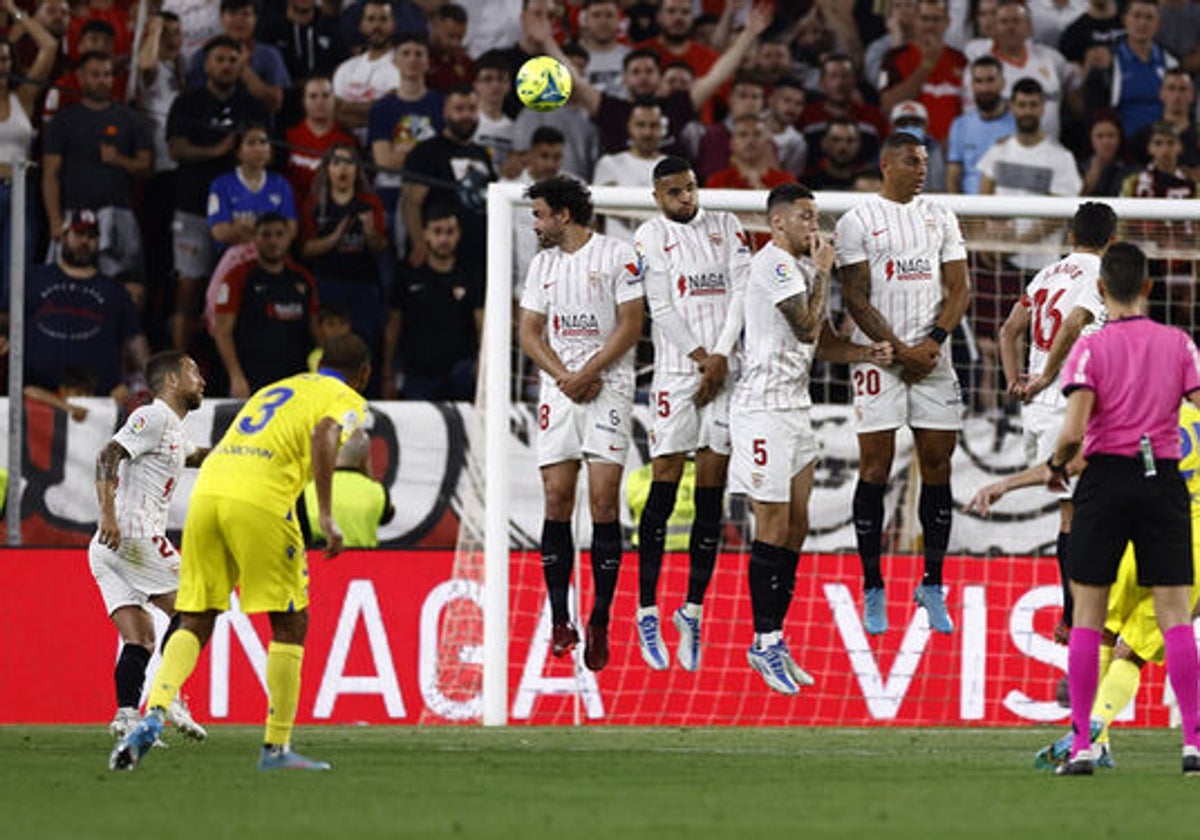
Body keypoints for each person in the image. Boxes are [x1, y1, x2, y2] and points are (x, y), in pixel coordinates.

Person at [110, 332, 373, 773]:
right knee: (290, 621)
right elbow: (327, 433)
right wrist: (326, 515)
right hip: (260, 498)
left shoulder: (280, 387)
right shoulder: (343, 396)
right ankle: (276, 748)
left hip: (208, 494)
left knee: (197, 615)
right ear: (364, 375)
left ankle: (153, 712)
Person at [968, 400, 1200, 770]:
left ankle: (1094, 742)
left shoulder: (1139, 415)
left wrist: (1005, 485)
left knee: (1103, 634)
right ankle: (1098, 726)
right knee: (1135, 655)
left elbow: (1070, 465)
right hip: (1188, 549)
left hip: (1136, 539)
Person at [1042, 241, 1200, 776]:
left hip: (1106, 480)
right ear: (1150, 288)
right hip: (1164, 484)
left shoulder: (1089, 348)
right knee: (1176, 619)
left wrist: (1059, 464)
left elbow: (1072, 431)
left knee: (1088, 620)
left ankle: (1084, 745)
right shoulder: (1180, 344)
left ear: (1102, 290)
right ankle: (1194, 745)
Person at [736, 183, 895, 694]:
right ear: (778, 223)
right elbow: (805, 328)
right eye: (806, 217)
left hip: (794, 409)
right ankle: (762, 642)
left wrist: (867, 354)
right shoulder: (774, 265)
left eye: (817, 216)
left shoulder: (801, 270)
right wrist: (826, 268)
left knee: (798, 526)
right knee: (774, 524)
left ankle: (775, 638)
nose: (815, 226)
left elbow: (823, 343)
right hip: (761, 409)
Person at [834, 131, 970, 636]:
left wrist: (932, 340)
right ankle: (873, 585)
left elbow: (959, 288)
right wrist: (898, 348)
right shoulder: (857, 221)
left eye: (925, 161)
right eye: (914, 161)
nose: (923, 169)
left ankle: (932, 583)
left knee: (938, 465)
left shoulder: (941, 216)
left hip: (933, 355)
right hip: (879, 357)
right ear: (887, 163)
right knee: (875, 467)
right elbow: (855, 297)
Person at [517, 175, 644, 672]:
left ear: (563, 215)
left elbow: (632, 325)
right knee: (556, 499)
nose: (536, 224)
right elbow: (529, 331)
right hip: (561, 386)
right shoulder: (542, 264)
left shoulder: (617, 255)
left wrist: (590, 372)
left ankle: (601, 620)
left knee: (604, 502)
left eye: (540, 214)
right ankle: (559, 619)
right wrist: (565, 376)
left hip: (608, 385)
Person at [630, 155, 750, 673]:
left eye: (691, 188)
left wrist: (721, 358)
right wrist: (702, 361)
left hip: (725, 369)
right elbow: (660, 308)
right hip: (678, 376)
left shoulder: (728, 226)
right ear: (658, 196)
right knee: (663, 483)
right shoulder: (648, 236)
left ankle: (692, 610)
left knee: (711, 493)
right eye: (675, 192)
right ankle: (647, 608)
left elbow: (743, 292)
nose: (686, 199)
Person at [997, 200, 1115, 638]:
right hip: (1068, 402)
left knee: (1074, 511)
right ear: (1113, 240)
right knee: (1080, 514)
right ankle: (1076, 619)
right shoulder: (1098, 276)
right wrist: (1046, 377)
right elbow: (1073, 323)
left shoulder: (1047, 274)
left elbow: (1008, 330)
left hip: (1039, 409)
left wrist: (1017, 382)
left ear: (1070, 237)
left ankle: (1078, 616)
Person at [90, 350, 210, 742]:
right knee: (194, 608)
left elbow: (196, 457)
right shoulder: (152, 416)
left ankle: (126, 716)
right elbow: (108, 454)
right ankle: (168, 694)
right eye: (193, 372)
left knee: (140, 637)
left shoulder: (172, 429)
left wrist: (245, 454)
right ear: (172, 380)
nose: (202, 380)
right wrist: (107, 513)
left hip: (110, 548)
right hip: (133, 535)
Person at [165, 34, 271, 353]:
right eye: (220, 59)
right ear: (207, 64)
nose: (226, 65)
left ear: (242, 64)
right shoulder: (188, 102)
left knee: (242, 291)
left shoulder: (252, 106)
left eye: (233, 59)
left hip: (241, 212)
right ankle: (179, 363)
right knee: (189, 287)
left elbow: (268, 152)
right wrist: (219, 149)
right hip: (194, 209)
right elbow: (175, 148)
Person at [0, 209, 148, 405]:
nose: (85, 242)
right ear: (63, 236)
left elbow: (135, 342)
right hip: (35, 397)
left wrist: (158, 382)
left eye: (92, 236)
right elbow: (5, 319)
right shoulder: (33, 278)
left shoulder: (115, 290)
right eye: (79, 234)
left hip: (98, 402)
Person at [41, 50, 152, 282]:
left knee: (120, 283)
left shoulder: (130, 119)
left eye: (107, 75)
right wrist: (54, 221)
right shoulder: (63, 121)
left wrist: (119, 160)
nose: (103, 81)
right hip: (74, 212)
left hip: (118, 213)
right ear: (80, 78)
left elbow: (146, 167)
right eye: (96, 75)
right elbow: (51, 174)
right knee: (66, 280)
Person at [300, 142, 388, 388]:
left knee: (366, 347)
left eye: (348, 162)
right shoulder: (316, 205)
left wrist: (371, 233)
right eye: (336, 162)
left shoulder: (370, 203)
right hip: (329, 285)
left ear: (357, 169)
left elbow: (381, 247)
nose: (342, 169)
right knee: (329, 351)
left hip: (363, 287)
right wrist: (335, 237)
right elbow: (305, 249)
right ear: (327, 168)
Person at [212, 213, 318, 397]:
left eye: (279, 234)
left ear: (289, 237)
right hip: (251, 381)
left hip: (295, 381)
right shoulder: (237, 277)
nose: (273, 241)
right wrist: (236, 377)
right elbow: (222, 331)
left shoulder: (303, 279)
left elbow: (315, 328)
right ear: (255, 238)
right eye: (266, 235)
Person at [382, 203, 481, 400]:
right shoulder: (407, 275)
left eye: (450, 232)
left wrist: (483, 363)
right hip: (417, 377)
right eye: (437, 232)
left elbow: (482, 325)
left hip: (460, 375)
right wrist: (387, 374)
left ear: (459, 234)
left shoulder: (470, 275)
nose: (444, 239)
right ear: (425, 234)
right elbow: (393, 328)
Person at [0, 2, 56, 297]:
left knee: (15, 280)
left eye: (6, 60)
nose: (2, 65)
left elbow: (48, 46)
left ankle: (10, 341)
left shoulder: (23, 97)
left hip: (21, 193)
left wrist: (15, 12)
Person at [879, 0, 967, 144]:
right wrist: (926, 66)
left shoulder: (961, 60)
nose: (930, 26)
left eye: (936, 19)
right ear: (914, 20)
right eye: (924, 19)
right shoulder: (893, 58)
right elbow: (887, 105)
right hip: (907, 149)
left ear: (947, 22)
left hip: (950, 150)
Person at [185, 0, 290, 115]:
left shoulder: (269, 55)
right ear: (221, 18)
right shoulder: (203, 55)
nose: (239, 20)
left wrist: (244, 69)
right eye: (232, 13)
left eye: (245, 14)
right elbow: (192, 102)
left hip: (256, 126)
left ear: (256, 19)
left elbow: (275, 104)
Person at [302, 428, 394, 549]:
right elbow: (386, 517)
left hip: (320, 562)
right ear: (364, 456)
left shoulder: (306, 491)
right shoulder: (378, 492)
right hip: (365, 564)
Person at [331, 0, 399, 144]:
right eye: (371, 19)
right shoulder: (346, 68)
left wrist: (345, 106)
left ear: (393, 25)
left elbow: (389, 111)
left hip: (384, 146)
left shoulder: (402, 67)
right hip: (346, 146)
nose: (377, 26)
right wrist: (370, 112)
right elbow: (333, 113)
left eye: (383, 19)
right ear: (362, 26)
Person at [945, 55, 1015, 194]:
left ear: (1003, 83)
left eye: (990, 80)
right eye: (979, 81)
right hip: (970, 208)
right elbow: (953, 177)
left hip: (1008, 206)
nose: (984, 88)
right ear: (971, 85)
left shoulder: (1018, 125)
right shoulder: (960, 125)